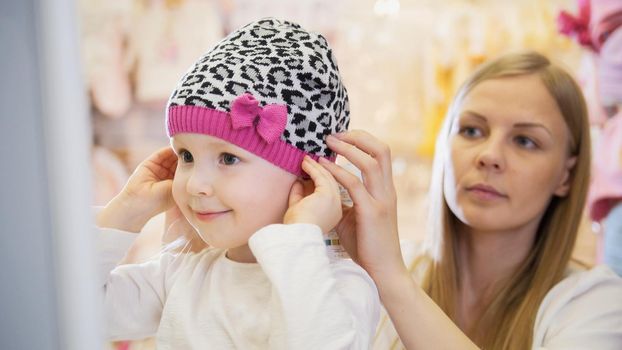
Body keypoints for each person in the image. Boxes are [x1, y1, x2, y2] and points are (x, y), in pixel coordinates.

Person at [95, 18, 379, 349]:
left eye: (228, 159)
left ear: (306, 174)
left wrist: (300, 236)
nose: (195, 185)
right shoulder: (180, 277)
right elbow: (71, 306)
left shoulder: (341, 286)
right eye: (186, 156)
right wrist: (126, 210)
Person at [319, 51, 622, 349]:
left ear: (566, 176)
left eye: (525, 141)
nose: (489, 156)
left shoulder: (594, 303)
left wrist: (392, 279)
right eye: (472, 130)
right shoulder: (372, 275)